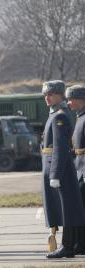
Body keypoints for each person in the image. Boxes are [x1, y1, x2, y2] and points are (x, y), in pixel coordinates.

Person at [43, 81, 85, 258]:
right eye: (46, 95)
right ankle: (75, 244)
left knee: (67, 209)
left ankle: (67, 245)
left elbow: (60, 147)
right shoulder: (62, 115)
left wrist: (55, 173)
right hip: (71, 167)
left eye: (51, 94)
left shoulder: (60, 116)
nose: (47, 97)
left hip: (62, 168)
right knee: (68, 207)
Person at [66, 85, 85, 255]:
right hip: (79, 167)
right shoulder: (80, 118)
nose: (68, 102)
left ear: (81, 100)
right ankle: (80, 243)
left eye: (71, 99)